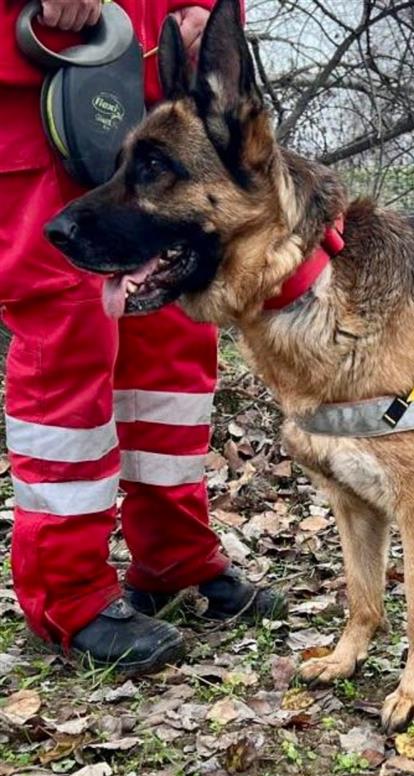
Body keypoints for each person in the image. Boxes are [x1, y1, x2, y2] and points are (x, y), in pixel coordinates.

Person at [0, 0, 284, 676]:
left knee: (172, 346)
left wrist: (203, 10)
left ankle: (175, 554)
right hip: (43, 85)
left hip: (152, 91)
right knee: (71, 327)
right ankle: (67, 593)